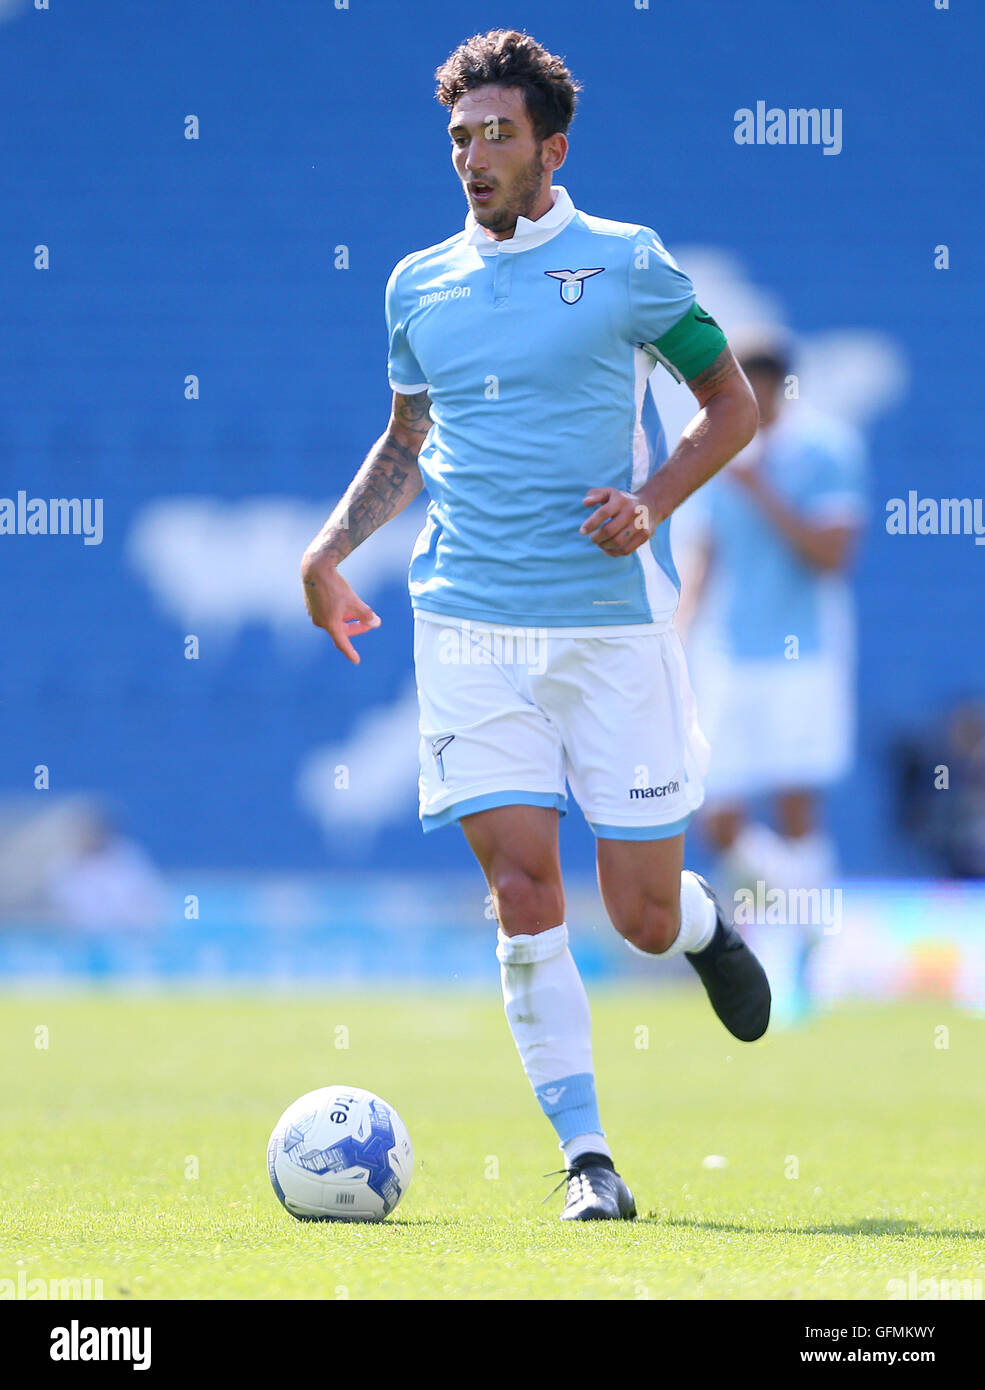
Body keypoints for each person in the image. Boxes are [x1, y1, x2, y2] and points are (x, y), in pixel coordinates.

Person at [301, 29, 770, 1221]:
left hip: (612, 631)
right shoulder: (417, 282)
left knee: (640, 915)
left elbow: (731, 403)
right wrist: (327, 549)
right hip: (465, 622)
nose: (473, 155)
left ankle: (703, 918)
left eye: (496, 133)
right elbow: (408, 438)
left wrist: (652, 500)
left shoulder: (626, 264)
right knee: (522, 885)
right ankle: (589, 1161)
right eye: (459, 136)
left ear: (550, 147)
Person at [674, 334, 867, 1023]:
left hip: (803, 657)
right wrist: (676, 641)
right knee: (716, 813)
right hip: (728, 658)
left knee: (794, 809)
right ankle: (810, 917)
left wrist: (761, 493)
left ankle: (800, 965)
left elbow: (830, 555)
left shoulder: (826, 450)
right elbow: (703, 560)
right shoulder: (718, 451)